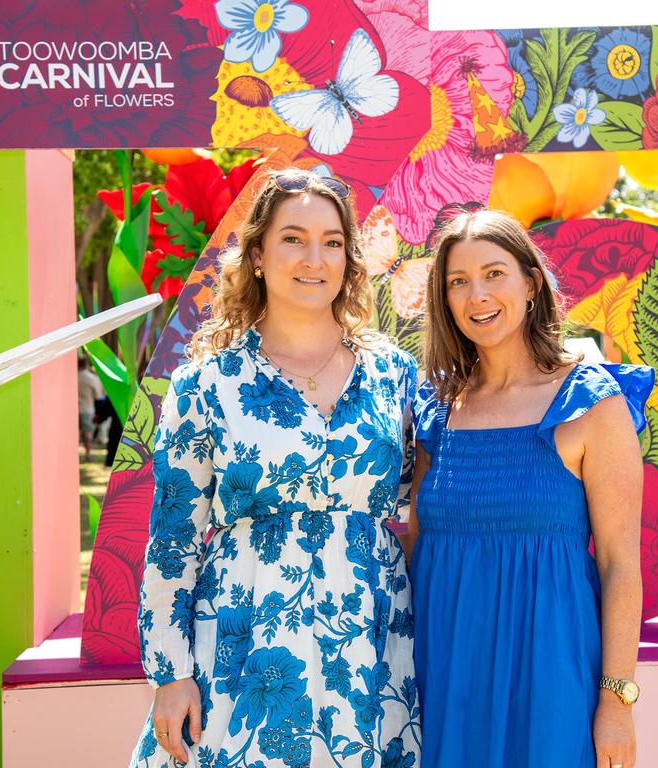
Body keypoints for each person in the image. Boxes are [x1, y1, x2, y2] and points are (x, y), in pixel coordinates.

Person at [130, 169, 421, 768]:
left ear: (349, 259)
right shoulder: (205, 384)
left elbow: (424, 508)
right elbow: (172, 544)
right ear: (258, 255)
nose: (314, 258)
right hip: (242, 645)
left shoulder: (395, 375)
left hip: (371, 648)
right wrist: (171, 672)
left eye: (333, 241)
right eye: (293, 238)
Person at [407, 209, 653, 768]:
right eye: (458, 282)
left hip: (552, 676)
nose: (477, 295)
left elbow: (620, 563)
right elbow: (419, 546)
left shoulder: (591, 403)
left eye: (494, 274)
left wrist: (617, 703)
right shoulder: (438, 410)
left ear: (531, 281)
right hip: (446, 673)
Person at [77, 356, 103, 462]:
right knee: (87, 433)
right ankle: (88, 453)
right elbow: (98, 396)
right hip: (87, 408)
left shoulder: (73, 376)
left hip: (73, 409)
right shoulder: (91, 378)